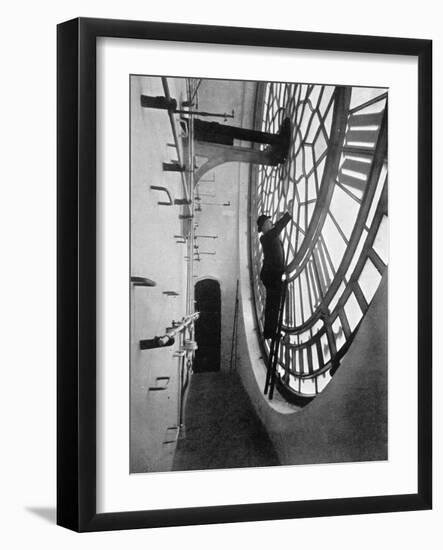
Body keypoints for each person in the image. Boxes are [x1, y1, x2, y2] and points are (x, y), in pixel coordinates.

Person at [257, 211, 292, 339]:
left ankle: (270, 332)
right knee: (273, 305)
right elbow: (277, 227)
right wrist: (288, 216)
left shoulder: (270, 236)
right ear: (263, 228)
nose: (270, 223)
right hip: (272, 277)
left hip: (272, 276)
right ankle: (270, 333)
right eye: (267, 222)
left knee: (273, 305)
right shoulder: (265, 238)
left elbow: (276, 226)